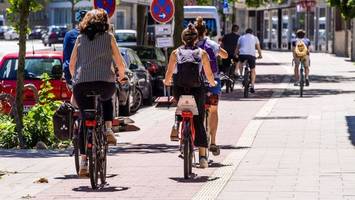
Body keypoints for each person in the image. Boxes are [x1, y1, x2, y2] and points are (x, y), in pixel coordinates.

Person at [69, 9, 126, 176]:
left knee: (84, 120)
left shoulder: (79, 39)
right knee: (107, 97)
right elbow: (120, 64)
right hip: (104, 83)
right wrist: (121, 76)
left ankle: (84, 162)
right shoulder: (109, 37)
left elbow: (72, 65)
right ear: (105, 22)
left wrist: (76, 79)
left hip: (82, 85)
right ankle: (108, 129)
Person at [164, 24, 216, 168]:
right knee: (199, 119)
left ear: (183, 38)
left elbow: (169, 73)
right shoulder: (202, 53)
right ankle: (203, 159)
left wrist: (167, 81)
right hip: (196, 89)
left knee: (180, 107)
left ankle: (176, 123)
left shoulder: (175, 53)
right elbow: (209, 74)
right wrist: (212, 83)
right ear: (196, 39)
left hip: (179, 88)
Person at [195, 16, 228, 156]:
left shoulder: (190, 44)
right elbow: (225, 55)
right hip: (212, 82)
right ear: (206, 31)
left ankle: (196, 141)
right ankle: (213, 142)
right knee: (213, 111)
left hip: (196, 84)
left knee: (198, 112)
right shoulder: (211, 44)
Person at [63, 10, 87, 87]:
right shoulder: (70, 35)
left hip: (74, 76)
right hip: (90, 76)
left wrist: (68, 77)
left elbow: (66, 57)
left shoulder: (69, 35)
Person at [235, 28, 262, 93]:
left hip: (242, 55)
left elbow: (237, 48)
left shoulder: (241, 37)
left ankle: (241, 75)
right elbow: (258, 48)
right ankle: (252, 86)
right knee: (253, 70)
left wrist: (235, 54)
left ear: (245, 32)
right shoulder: (255, 38)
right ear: (252, 33)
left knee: (240, 61)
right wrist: (260, 55)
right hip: (251, 55)